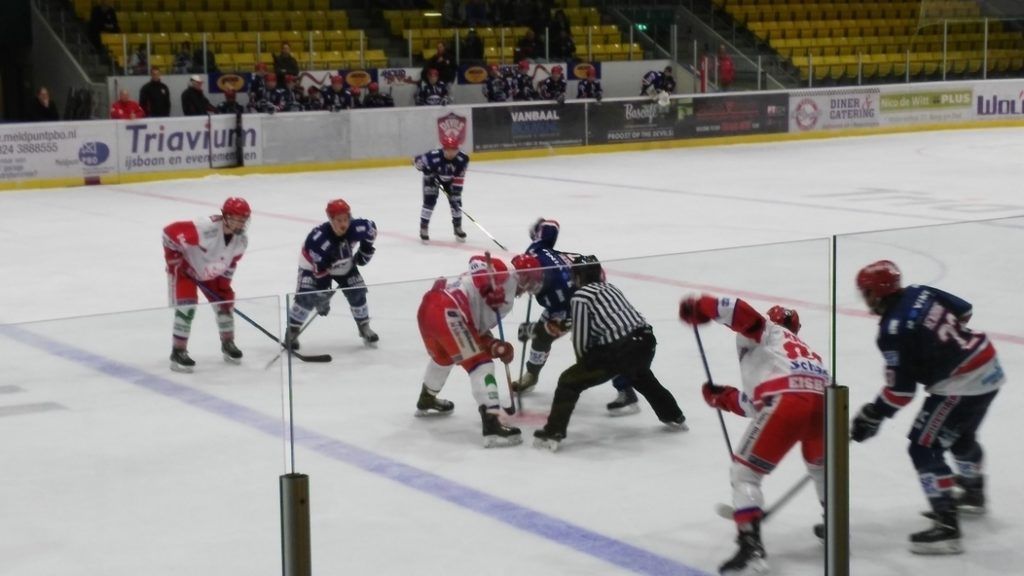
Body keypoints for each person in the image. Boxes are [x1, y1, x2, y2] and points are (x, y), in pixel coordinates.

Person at [852, 260, 1005, 554]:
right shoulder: (920, 291)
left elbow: (901, 391)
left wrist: (873, 414)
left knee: (924, 447)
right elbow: (965, 310)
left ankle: (948, 528)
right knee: (961, 436)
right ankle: (973, 493)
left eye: (867, 292)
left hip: (962, 384)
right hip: (989, 366)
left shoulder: (892, 330)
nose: (865, 299)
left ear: (877, 293)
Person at [680, 294, 826, 575]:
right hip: (825, 406)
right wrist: (723, 397)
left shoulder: (767, 331)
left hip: (788, 402)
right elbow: (755, 404)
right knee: (821, 469)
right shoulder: (805, 352)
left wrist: (701, 306)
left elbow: (738, 311)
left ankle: (751, 547)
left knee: (744, 474)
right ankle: (834, 524)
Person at [533, 255, 687, 452]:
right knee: (640, 375)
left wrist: (584, 367)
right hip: (646, 342)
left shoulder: (580, 296)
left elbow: (581, 338)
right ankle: (674, 416)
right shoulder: (610, 288)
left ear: (578, 276)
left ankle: (552, 433)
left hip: (619, 350)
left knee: (568, 382)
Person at [415, 254, 543, 448]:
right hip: (449, 311)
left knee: (445, 357)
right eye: (531, 279)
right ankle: (492, 425)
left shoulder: (506, 296)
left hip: (431, 309)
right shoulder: (506, 274)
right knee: (481, 366)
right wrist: (486, 287)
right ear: (524, 277)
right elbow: (477, 261)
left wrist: (496, 346)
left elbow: (473, 332)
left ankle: (426, 399)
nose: (531, 286)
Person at [513, 219, 638, 415]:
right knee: (541, 336)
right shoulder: (535, 251)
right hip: (570, 285)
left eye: (530, 284)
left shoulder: (565, 289)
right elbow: (552, 227)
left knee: (598, 344)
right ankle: (532, 375)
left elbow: (560, 325)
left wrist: (533, 330)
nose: (528, 289)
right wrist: (539, 228)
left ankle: (626, 390)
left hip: (587, 289)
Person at [162, 197, 251, 373]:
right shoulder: (205, 228)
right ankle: (178, 351)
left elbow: (231, 264)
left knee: (225, 305)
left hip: (211, 273)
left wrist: (224, 287)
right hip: (187, 270)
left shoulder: (241, 241)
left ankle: (228, 343)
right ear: (225, 216)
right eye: (237, 219)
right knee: (186, 307)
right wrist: (173, 258)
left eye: (244, 220)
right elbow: (168, 232)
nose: (241, 224)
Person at [286, 199, 379, 348]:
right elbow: (320, 270)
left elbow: (371, 230)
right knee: (306, 297)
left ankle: (364, 326)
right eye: (338, 220)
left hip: (343, 262)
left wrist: (365, 250)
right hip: (312, 267)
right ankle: (292, 331)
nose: (343, 224)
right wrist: (323, 295)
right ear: (330, 220)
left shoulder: (358, 227)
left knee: (357, 291)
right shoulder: (319, 240)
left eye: (346, 219)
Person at [413, 135, 468, 242]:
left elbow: (459, 178)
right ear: (443, 149)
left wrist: (455, 193)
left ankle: (457, 227)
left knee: (456, 203)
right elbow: (417, 162)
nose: (451, 153)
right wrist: (425, 170)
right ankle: (424, 227)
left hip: (451, 181)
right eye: (448, 150)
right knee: (429, 202)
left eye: (454, 150)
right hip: (431, 180)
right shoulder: (432, 156)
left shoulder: (462, 159)